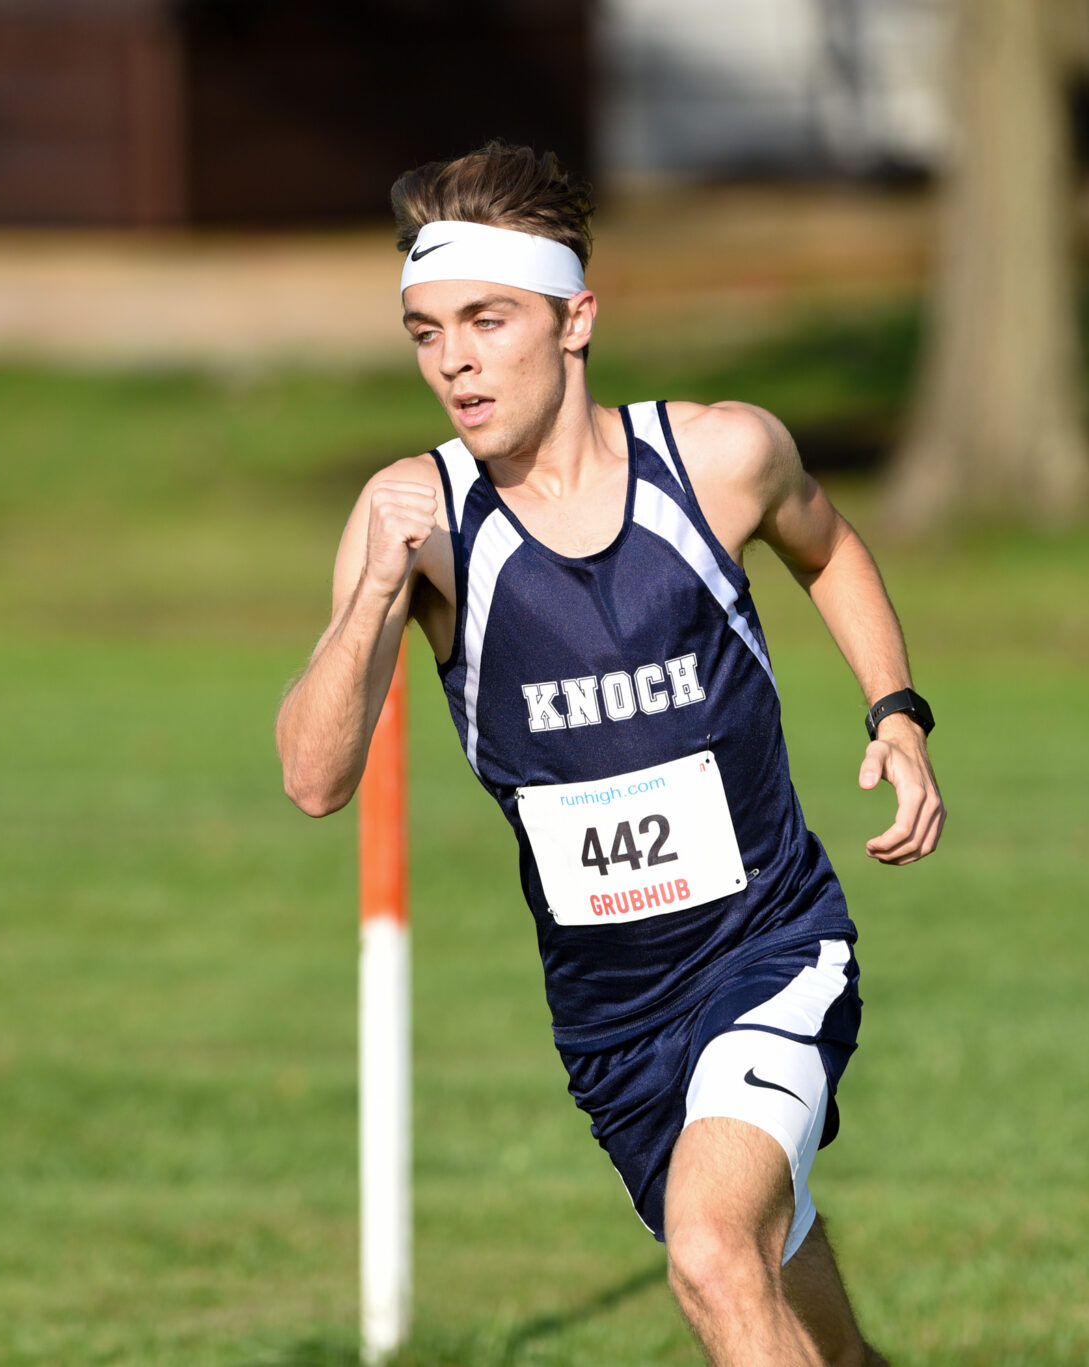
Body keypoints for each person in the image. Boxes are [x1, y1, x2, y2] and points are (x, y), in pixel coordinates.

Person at [275, 141, 944, 1367]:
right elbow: (315, 778)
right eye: (424, 332)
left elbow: (829, 548)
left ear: (574, 317)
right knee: (786, 1303)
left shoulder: (718, 459)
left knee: (706, 1248)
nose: (454, 361)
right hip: (609, 1018)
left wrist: (894, 711)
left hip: (768, 945)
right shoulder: (411, 526)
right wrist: (368, 590)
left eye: (487, 319)